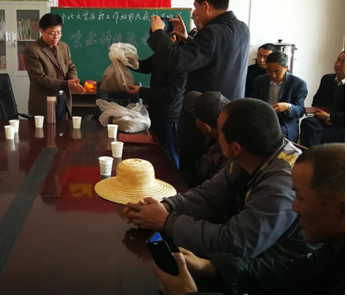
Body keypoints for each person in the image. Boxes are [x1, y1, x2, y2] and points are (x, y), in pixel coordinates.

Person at [124, 98, 313, 261]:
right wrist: (165, 207)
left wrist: (166, 221)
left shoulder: (283, 184)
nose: (215, 136)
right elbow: (210, 194)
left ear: (236, 148)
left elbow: (236, 243)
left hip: (277, 268)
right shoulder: (251, 154)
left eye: (220, 132)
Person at [152, 143, 344, 295]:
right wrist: (211, 266)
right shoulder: (332, 251)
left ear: (341, 208)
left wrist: (188, 294)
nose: (294, 207)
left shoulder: (277, 185)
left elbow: (237, 243)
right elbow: (291, 273)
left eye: (300, 198)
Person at [146, 0, 250, 174]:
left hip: (204, 120)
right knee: (222, 175)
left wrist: (159, 32)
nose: (195, 13)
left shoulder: (211, 32)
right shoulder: (242, 28)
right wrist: (187, 39)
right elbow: (213, 56)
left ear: (206, 6)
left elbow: (177, 61)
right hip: (228, 116)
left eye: (196, 6)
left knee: (194, 175)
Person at [125, 34, 186, 168]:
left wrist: (140, 91)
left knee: (169, 156)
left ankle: (174, 181)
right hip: (155, 112)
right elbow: (144, 66)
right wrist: (126, 61)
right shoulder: (161, 54)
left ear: (172, 38)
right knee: (156, 154)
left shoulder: (180, 58)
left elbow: (171, 92)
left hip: (169, 117)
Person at [23, 13, 85, 119]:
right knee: (45, 129)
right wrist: (67, 84)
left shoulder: (64, 47)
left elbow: (71, 67)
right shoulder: (32, 50)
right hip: (44, 102)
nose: (56, 37)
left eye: (59, 32)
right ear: (41, 31)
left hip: (63, 98)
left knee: (64, 127)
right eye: (52, 33)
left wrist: (73, 81)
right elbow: (39, 79)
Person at [251, 51, 308, 142]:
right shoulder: (260, 81)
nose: (273, 75)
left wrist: (288, 107)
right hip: (263, 119)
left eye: (277, 71)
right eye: (269, 70)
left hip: (284, 122)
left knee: (272, 136)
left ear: (286, 68)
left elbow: (300, 111)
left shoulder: (298, 83)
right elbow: (255, 102)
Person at [182, 91, 229, 184]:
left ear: (206, 127)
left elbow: (216, 189)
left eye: (195, 117)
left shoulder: (229, 157)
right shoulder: (212, 139)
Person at [301, 51, 345, 146]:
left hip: (342, 125)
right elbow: (317, 100)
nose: (338, 64)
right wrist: (323, 116)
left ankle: (310, 154)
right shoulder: (327, 78)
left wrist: (329, 117)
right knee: (307, 122)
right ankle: (310, 153)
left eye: (343, 62)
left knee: (314, 134)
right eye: (338, 60)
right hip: (323, 119)